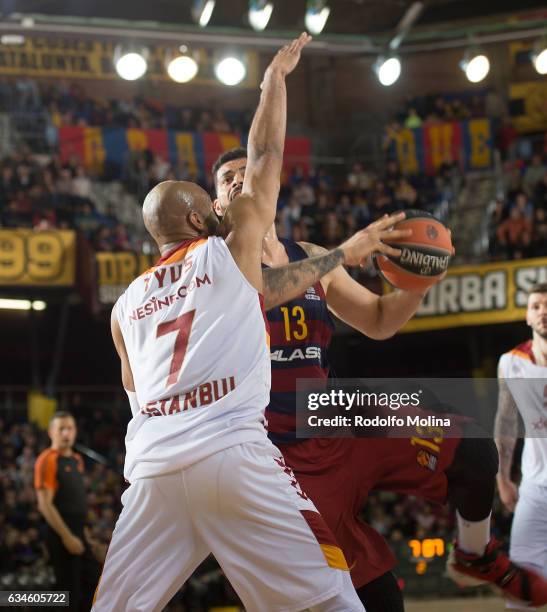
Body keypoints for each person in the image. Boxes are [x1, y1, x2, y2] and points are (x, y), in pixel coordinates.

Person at [92, 34, 381, 612]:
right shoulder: (228, 254)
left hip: (152, 474)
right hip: (234, 456)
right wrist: (273, 79)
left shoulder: (125, 304)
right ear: (201, 217)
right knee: (333, 601)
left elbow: (133, 388)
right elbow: (268, 155)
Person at [212, 146, 547, 611]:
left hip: (330, 414)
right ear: (216, 206)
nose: (239, 181)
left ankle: (474, 552)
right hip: (274, 449)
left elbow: (380, 321)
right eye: (228, 177)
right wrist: (344, 254)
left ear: (270, 185)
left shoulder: (307, 255)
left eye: (249, 173)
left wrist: (417, 278)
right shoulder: (212, 265)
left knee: (471, 447)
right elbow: (259, 291)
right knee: (379, 599)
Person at [496, 282, 547, 611]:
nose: (544, 312)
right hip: (535, 490)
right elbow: (506, 423)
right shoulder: (511, 362)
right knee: (519, 589)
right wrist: (501, 477)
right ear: (528, 316)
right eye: (536, 306)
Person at [34, 411, 100, 611]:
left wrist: (85, 536)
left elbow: (77, 504)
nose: (66, 433)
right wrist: (67, 537)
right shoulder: (48, 459)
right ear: (51, 432)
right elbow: (45, 504)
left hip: (79, 533)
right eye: (61, 429)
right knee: (67, 596)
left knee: (94, 584)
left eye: (69, 428)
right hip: (61, 534)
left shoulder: (77, 460)